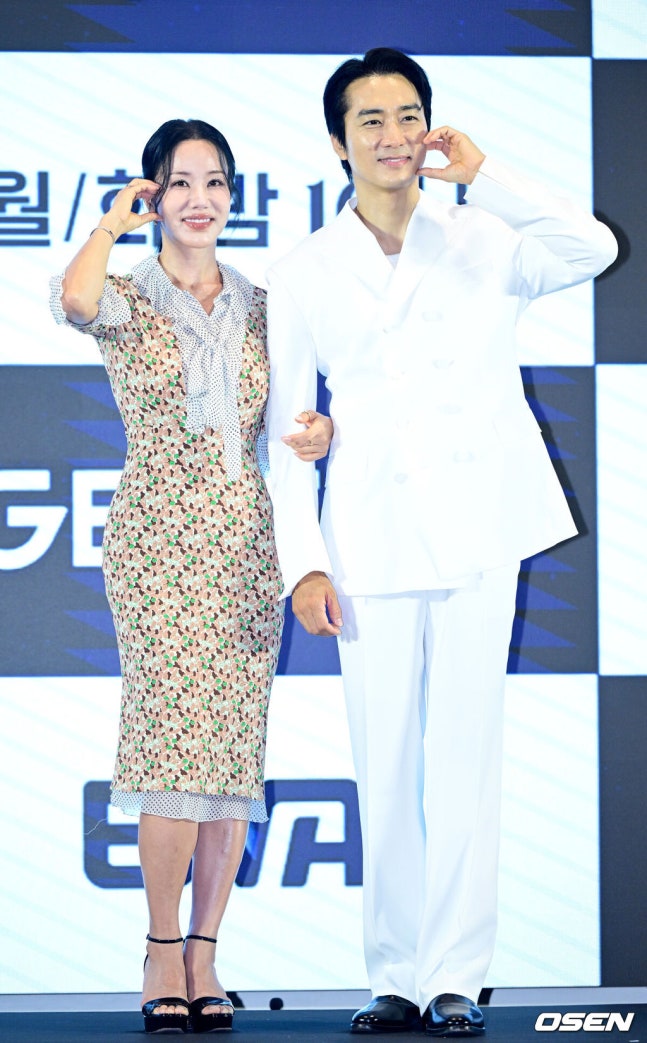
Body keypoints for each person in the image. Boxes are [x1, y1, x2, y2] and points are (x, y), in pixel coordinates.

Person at [265, 49, 617, 1037]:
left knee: (466, 751)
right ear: (337, 141)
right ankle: (392, 973)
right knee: (382, 760)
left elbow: (591, 247)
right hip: (367, 531)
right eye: (369, 120)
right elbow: (286, 429)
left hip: (477, 523)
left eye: (406, 115)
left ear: (430, 126)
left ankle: (455, 974)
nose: (392, 136)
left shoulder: (484, 235)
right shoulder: (302, 270)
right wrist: (304, 559)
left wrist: (485, 174)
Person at [50, 118, 332, 1035]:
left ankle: (206, 953)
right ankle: (160, 948)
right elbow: (75, 300)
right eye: (179, 182)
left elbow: (302, 407)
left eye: (214, 182)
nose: (199, 199)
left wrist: (324, 431)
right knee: (171, 747)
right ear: (153, 194)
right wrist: (110, 224)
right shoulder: (126, 294)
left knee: (231, 755)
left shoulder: (264, 304)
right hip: (156, 541)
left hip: (249, 542)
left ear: (232, 196)